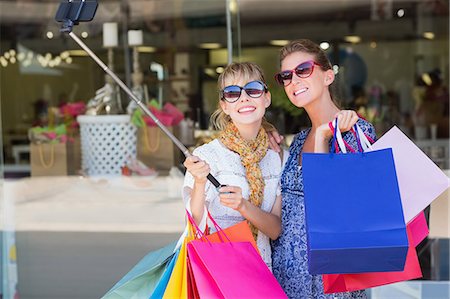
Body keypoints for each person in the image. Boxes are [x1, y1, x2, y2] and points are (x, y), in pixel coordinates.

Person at [271, 39, 377, 298]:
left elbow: (332, 206)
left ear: (328, 75)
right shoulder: (296, 142)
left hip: (332, 280)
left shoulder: (356, 133)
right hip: (286, 276)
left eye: (303, 69)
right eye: (286, 76)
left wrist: (323, 138)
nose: (293, 80)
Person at [183, 62, 286, 269]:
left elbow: (275, 229)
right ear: (224, 106)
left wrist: (243, 206)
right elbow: (194, 221)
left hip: (261, 270)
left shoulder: (279, 157)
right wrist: (200, 183)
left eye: (253, 90)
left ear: (266, 98)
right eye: (232, 93)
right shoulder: (207, 155)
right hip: (219, 270)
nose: (244, 98)